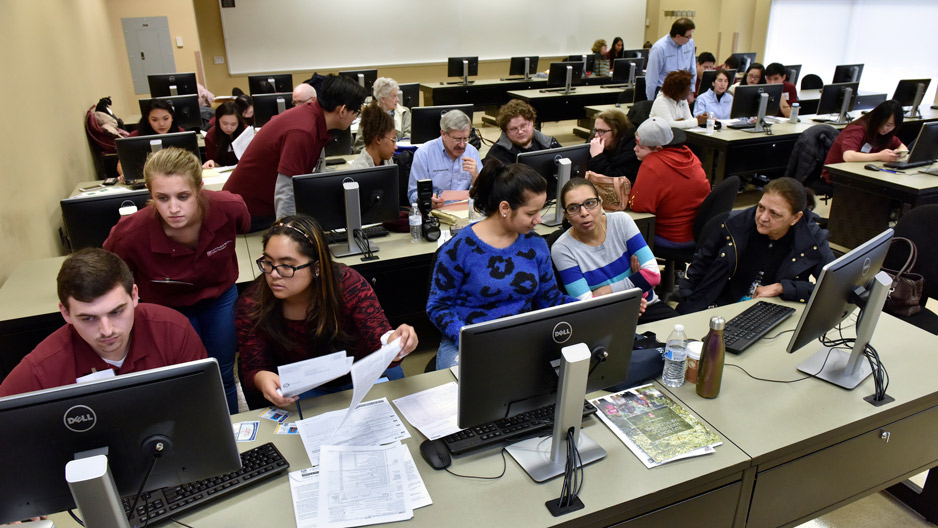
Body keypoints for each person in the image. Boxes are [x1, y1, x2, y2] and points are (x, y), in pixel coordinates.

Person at [103, 147, 250, 413]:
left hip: (219, 297)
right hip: (167, 306)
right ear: (150, 194)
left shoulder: (229, 207)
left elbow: (244, 226)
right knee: (184, 377)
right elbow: (110, 273)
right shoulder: (130, 234)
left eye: (183, 196)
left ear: (199, 188)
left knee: (223, 371)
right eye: (162, 198)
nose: (173, 208)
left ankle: (231, 434)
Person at [236, 215, 418, 408]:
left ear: (317, 267)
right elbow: (253, 368)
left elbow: (381, 340)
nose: (273, 274)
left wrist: (397, 345)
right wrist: (261, 378)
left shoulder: (348, 285)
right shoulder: (252, 302)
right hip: (301, 388)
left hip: (359, 376)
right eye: (268, 262)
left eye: (286, 266)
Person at [0, 248, 207, 397]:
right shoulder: (41, 368)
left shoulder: (174, 331)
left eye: (117, 312)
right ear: (65, 313)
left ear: (134, 295)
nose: (107, 331)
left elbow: (203, 404)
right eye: (88, 318)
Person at [426, 161, 574, 369]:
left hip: (520, 341)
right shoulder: (459, 248)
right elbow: (438, 306)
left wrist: (595, 306)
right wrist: (467, 338)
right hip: (468, 343)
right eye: (531, 213)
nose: (539, 220)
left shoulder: (535, 244)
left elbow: (550, 299)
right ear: (505, 208)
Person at [223, 75, 368, 230]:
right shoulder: (303, 132)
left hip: (259, 205)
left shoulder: (313, 117)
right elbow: (285, 190)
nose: (356, 116)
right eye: (356, 111)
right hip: (249, 213)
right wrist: (289, 235)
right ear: (343, 110)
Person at [677, 177, 835, 314]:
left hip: (769, 312)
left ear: (795, 218)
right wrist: (688, 301)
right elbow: (697, 270)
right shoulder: (733, 225)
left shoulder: (811, 238)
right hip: (720, 307)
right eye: (761, 208)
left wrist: (783, 288)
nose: (763, 218)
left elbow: (832, 287)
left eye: (774, 213)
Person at [551, 178, 678, 322]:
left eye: (590, 203)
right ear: (566, 215)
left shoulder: (621, 222)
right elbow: (586, 304)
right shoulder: (562, 249)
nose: (584, 212)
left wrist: (604, 291)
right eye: (573, 208)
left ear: (600, 202)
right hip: (605, 318)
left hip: (646, 305)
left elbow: (653, 275)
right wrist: (633, 287)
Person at [629, 117, 710, 248]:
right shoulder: (689, 155)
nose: (635, 149)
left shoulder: (652, 165)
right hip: (695, 232)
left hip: (669, 236)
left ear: (658, 148)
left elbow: (638, 206)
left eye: (641, 147)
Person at [407, 109, 481, 207]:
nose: (462, 145)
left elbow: (483, 195)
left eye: (466, 138)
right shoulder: (424, 154)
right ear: (444, 134)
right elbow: (413, 194)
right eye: (457, 139)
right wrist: (427, 201)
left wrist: (476, 177)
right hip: (436, 213)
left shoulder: (472, 152)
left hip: (466, 211)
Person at [821, 99, 908, 183]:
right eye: (888, 125)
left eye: (894, 126)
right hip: (836, 175)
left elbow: (903, 147)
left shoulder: (882, 133)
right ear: (878, 119)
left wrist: (896, 154)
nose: (890, 129)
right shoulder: (857, 130)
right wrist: (880, 156)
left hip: (860, 172)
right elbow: (848, 156)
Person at [118, 99, 186, 177]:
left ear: (172, 117)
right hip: (144, 180)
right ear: (148, 119)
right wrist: (125, 175)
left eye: (166, 118)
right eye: (154, 120)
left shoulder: (180, 133)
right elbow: (120, 164)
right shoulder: (135, 136)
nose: (161, 124)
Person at [483, 99, 561, 166]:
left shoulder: (549, 144)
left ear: (531, 123)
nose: (520, 132)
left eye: (523, 126)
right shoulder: (497, 156)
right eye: (514, 129)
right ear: (505, 131)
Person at [352, 77, 412, 152]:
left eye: (397, 95)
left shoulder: (404, 112)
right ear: (383, 99)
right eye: (394, 96)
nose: (398, 99)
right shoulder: (369, 115)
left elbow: (409, 136)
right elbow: (360, 146)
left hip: (401, 154)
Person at [646, 17, 697, 101]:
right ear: (678, 36)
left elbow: (692, 67)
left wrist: (691, 90)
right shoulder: (659, 48)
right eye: (688, 36)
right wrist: (650, 101)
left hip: (682, 89)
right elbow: (651, 77)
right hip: (664, 91)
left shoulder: (690, 43)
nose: (690, 38)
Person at [587, 108, 641, 184]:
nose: (596, 135)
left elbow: (615, 182)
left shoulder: (632, 151)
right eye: (595, 130)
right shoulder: (596, 139)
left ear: (616, 131)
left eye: (601, 131)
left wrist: (597, 157)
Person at [348, 102, 397, 169]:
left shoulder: (388, 161)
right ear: (378, 139)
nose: (395, 147)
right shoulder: (358, 170)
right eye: (393, 140)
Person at [202, 101, 245, 169]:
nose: (229, 128)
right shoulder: (211, 136)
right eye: (225, 123)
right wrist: (211, 163)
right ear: (218, 120)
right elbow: (213, 161)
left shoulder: (245, 132)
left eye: (233, 124)